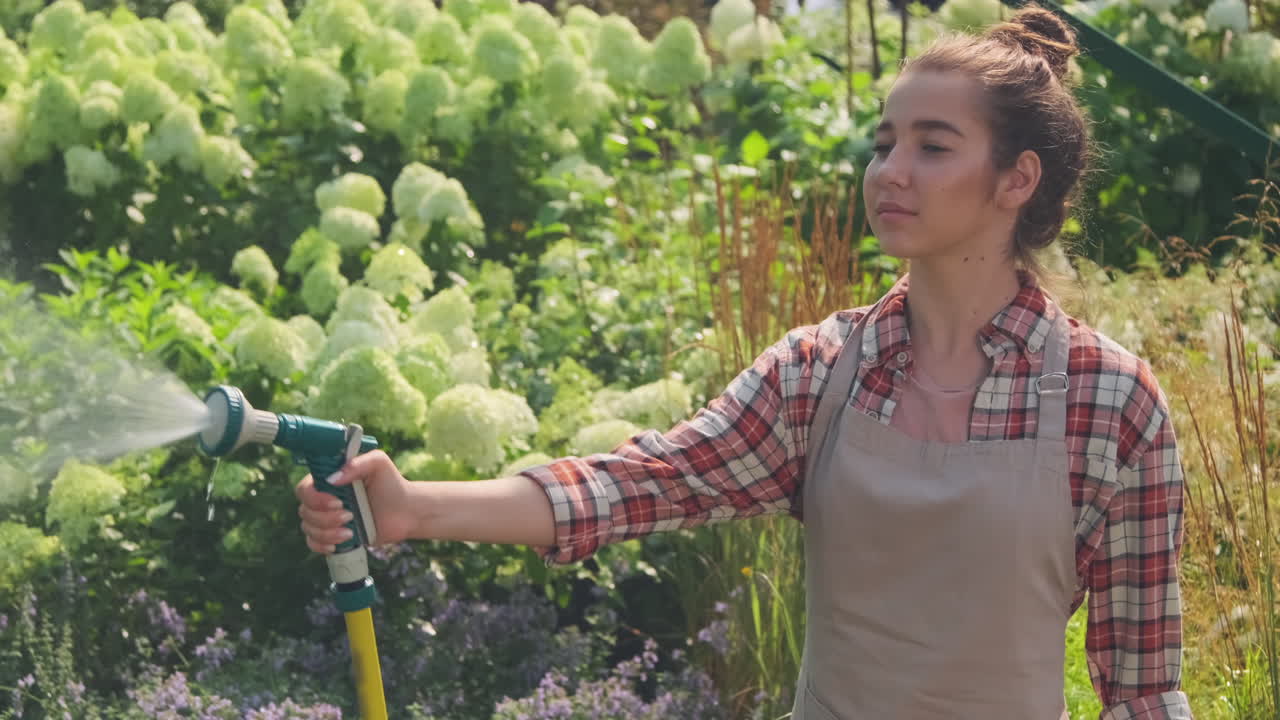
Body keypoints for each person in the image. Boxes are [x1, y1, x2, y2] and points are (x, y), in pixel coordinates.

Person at [296, 6, 1192, 718]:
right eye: (884, 142)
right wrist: (413, 508)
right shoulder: (823, 371)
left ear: (1017, 180)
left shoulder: (1110, 404)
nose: (889, 171)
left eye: (933, 146)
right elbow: (645, 482)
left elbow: (1143, 692)